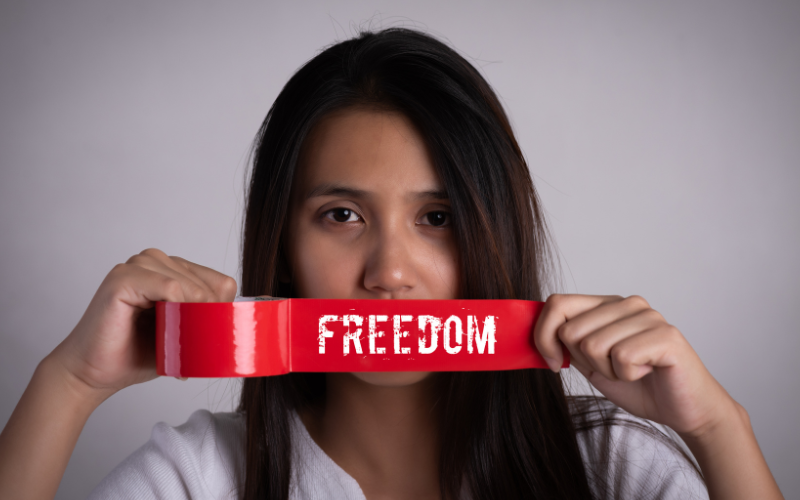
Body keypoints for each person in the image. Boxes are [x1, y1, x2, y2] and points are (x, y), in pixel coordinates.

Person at [0, 28, 784, 500]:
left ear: (494, 236)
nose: (390, 273)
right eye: (342, 216)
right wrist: (67, 384)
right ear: (281, 245)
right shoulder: (203, 476)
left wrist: (719, 428)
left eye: (436, 219)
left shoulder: (611, 466)